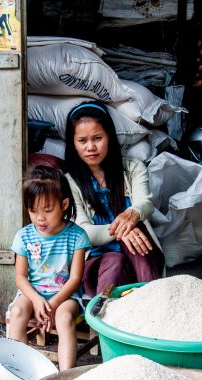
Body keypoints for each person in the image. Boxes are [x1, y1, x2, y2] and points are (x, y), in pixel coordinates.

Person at [64, 100, 165, 299]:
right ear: (73, 144)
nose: (91, 147)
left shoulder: (133, 168)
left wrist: (133, 214)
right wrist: (120, 231)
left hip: (138, 255)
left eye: (98, 138)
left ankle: (153, 302)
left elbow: (145, 203)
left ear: (109, 137)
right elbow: (83, 231)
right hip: (97, 263)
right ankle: (102, 319)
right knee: (115, 258)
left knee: (136, 232)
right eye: (82, 141)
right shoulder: (70, 182)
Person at [6, 165, 91, 371]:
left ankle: (64, 375)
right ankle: (19, 370)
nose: (40, 218)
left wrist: (52, 303)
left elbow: (75, 279)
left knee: (64, 317)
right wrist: (37, 300)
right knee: (17, 311)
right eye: (33, 210)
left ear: (64, 204)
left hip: (65, 296)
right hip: (32, 293)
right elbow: (20, 278)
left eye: (47, 210)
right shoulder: (24, 236)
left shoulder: (77, 236)